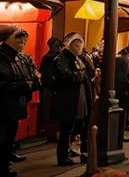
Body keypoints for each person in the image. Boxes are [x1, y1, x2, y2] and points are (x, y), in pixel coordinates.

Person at [0, 26, 39, 177]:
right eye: (18, 37)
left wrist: (33, 84)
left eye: (24, 38)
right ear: (7, 38)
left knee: (8, 139)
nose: (22, 41)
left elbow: (33, 77)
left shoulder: (22, 58)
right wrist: (23, 85)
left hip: (15, 106)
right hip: (2, 106)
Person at [45, 33, 89, 166]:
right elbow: (67, 76)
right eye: (76, 45)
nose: (79, 48)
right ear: (70, 46)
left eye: (80, 45)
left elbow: (84, 73)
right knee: (66, 128)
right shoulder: (61, 59)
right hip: (67, 99)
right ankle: (63, 156)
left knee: (75, 127)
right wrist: (79, 75)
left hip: (78, 99)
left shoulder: (77, 58)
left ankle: (68, 151)